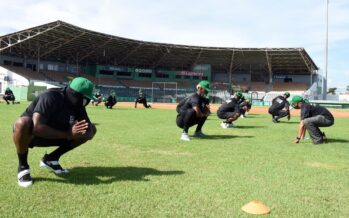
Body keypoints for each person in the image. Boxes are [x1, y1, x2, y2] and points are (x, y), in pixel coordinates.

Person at [13, 77, 97, 187]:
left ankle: (51, 159)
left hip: (56, 135)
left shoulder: (77, 105)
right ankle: (23, 167)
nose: (88, 102)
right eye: (87, 99)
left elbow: (90, 130)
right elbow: (37, 127)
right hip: (31, 136)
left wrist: (85, 133)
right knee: (22, 123)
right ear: (77, 95)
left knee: (90, 129)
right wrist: (69, 134)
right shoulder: (51, 96)